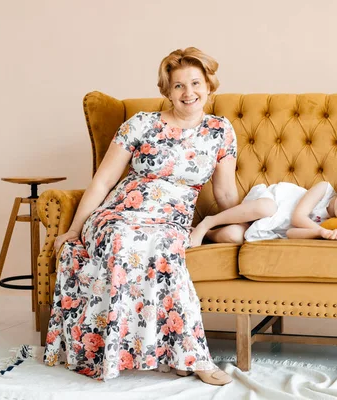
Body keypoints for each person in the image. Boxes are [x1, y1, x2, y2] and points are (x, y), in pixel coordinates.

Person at [43, 47, 238, 386]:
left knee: (163, 248)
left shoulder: (220, 131)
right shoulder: (140, 124)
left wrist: (246, 226)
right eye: (178, 85)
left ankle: (188, 355)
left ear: (210, 86)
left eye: (195, 83)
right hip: (118, 215)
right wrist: (75, 229)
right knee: (126, 239)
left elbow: (225, 194)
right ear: (167, 91)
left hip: (169, 221)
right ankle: (178, 356)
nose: (188, 92)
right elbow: (103, 181)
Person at [189, 173, 337, 247]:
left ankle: (208, 234)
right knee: (266, 207)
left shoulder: (333, 226)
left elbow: (291, 232)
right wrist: (322, 230)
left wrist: (321, 234)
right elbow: (298, 217)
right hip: (272, 204)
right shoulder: (324, 189)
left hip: (270, 227)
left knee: (235, 236)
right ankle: (208, 222)